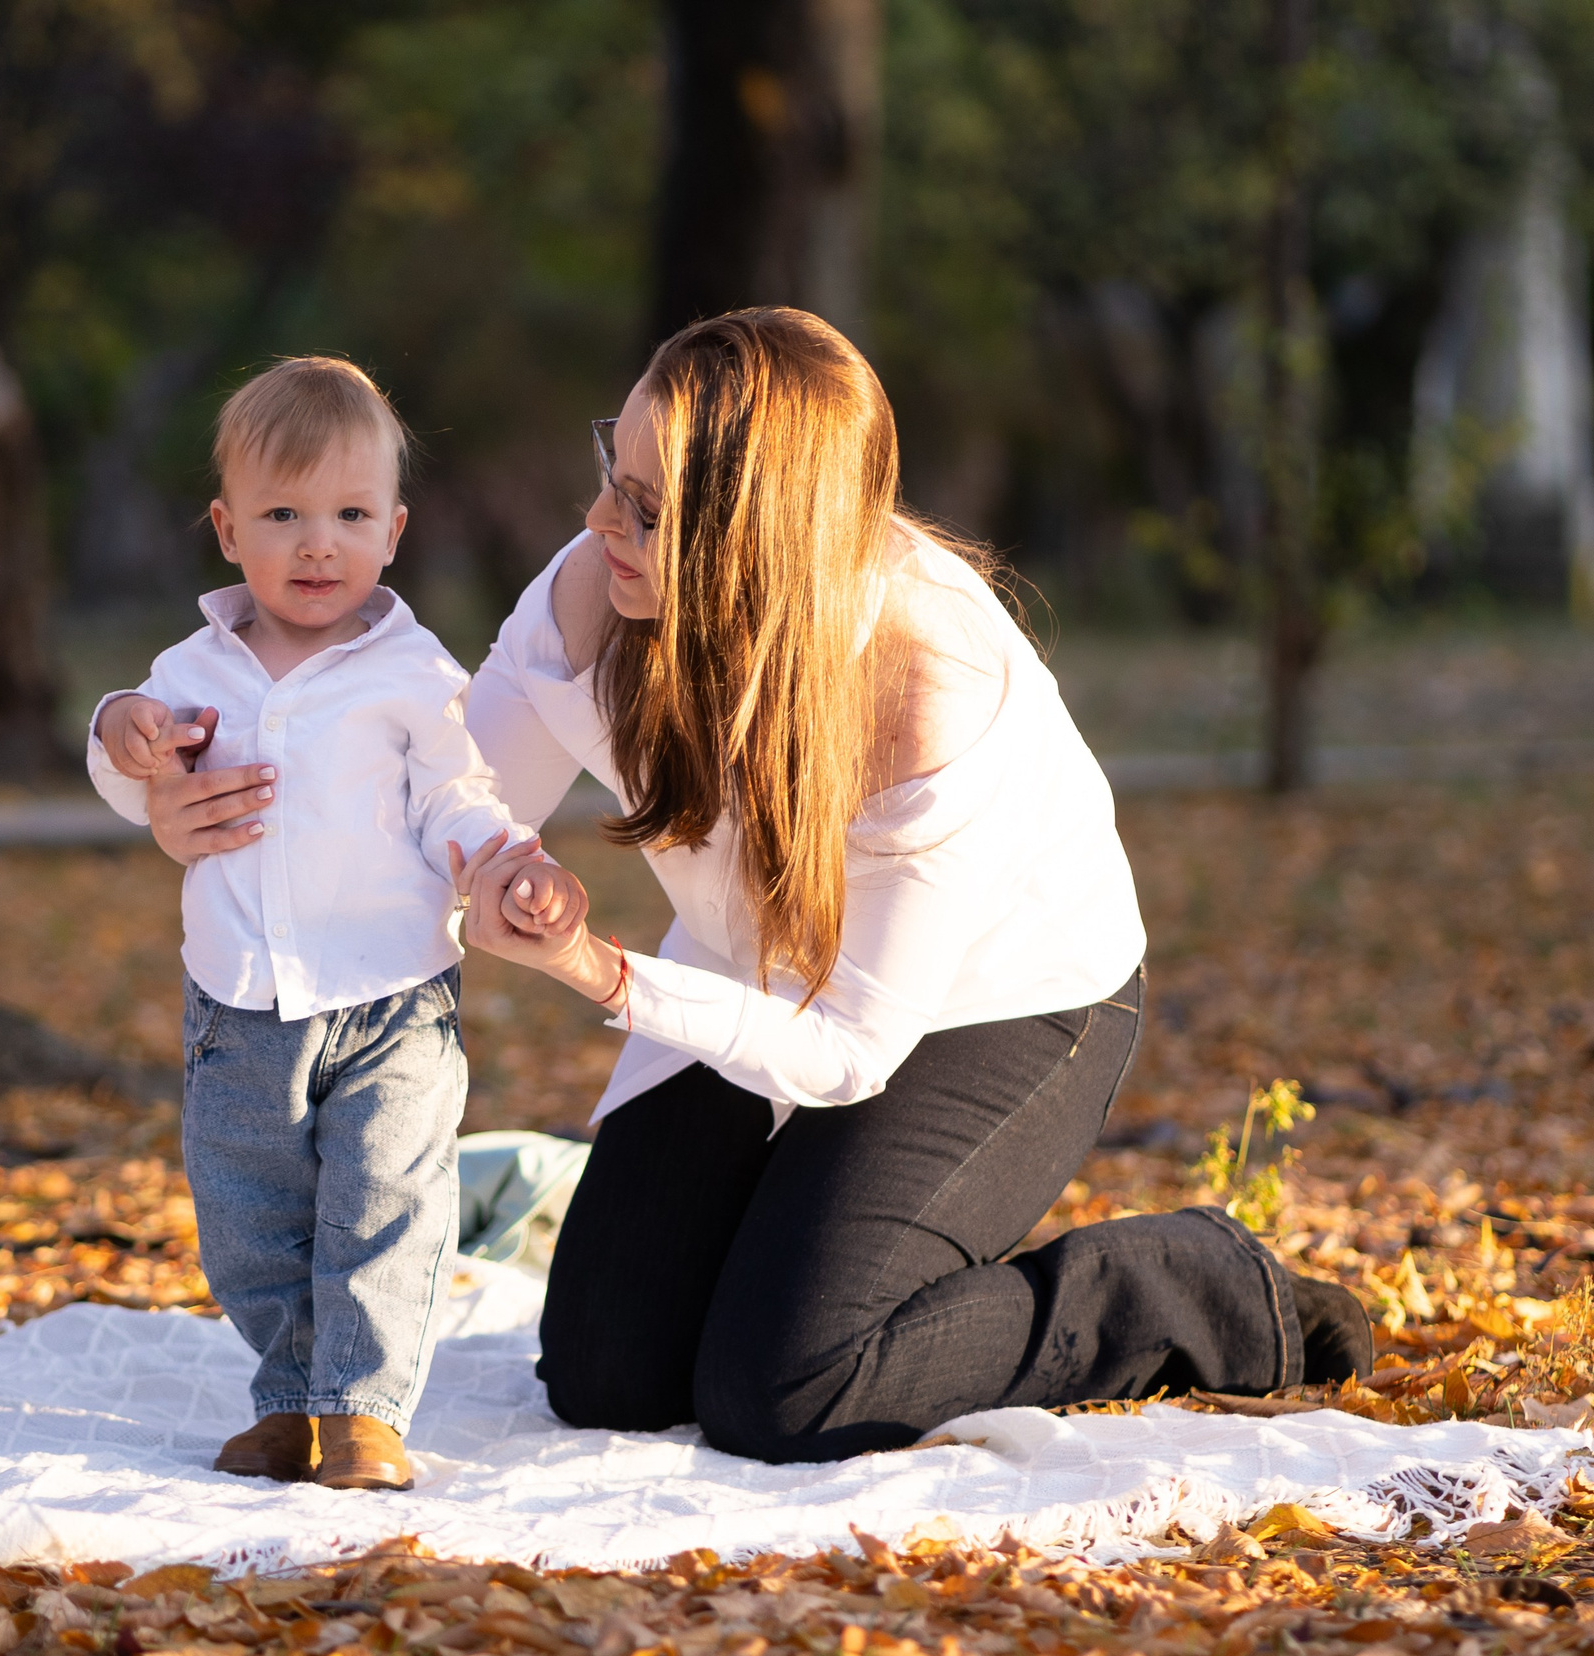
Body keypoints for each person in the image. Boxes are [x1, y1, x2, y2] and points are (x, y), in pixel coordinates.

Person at [450, 309, 1373, 1465]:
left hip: (999, 1002)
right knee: (606, 1376)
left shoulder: (931, 688)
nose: (596, 524)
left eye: (646, 505)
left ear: (758, 536)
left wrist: (595, 969)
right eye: (611, 471)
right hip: (755, 968)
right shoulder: (597, 597)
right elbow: (437, 806)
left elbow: (845, 1052)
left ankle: (1185, 1286)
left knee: (787, 1388)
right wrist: (158, 782)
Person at [88, 357, 560, 1491]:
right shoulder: (192, 668)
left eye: (349, 515)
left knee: (382, 1202)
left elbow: (460, 792)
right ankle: (292, 1399)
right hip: (239, 1006)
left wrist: (504, 856)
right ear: (226, 529)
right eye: (284, 515)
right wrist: (121, 731)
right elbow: (139, 769)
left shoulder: (408, 673)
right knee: (254, 1221)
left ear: (392, 530)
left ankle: (362, 1410)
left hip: (390, 996)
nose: (317, 545)